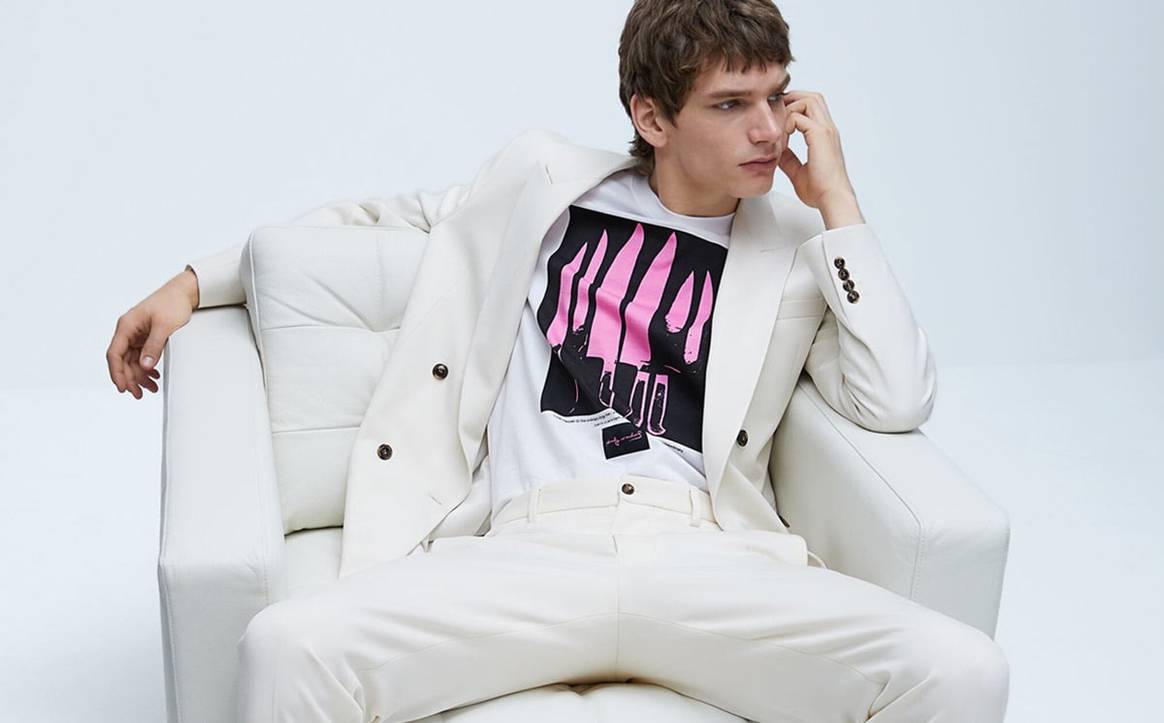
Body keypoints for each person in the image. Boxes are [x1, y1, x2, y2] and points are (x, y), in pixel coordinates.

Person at [106, 1, 1010, 721]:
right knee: (285, 648)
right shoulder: (548, 185)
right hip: (529, 548)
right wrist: (195, 280)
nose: (769, 130)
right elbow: (376, 222)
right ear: (652, 116)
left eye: (779, 97)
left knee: (962, 669)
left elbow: (897, 395)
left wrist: (838, 201)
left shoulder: (796, 243)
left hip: (704, 554)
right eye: (731, 104)